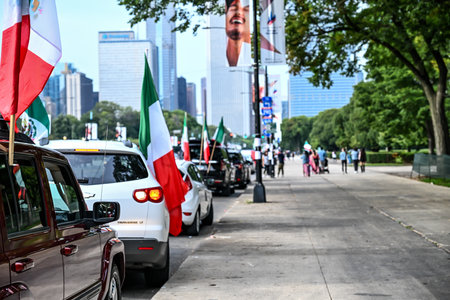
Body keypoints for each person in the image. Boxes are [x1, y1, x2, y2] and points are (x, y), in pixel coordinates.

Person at [225, 0, 251, 67]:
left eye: (246, 10)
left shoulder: (250, 56)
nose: (238, 13)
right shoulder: (217, 54)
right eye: (233, 9)